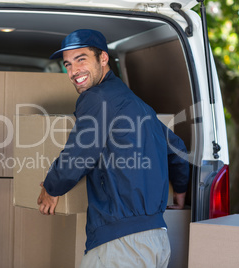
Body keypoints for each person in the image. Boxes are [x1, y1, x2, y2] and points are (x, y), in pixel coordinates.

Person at [37, 29, 189, 268]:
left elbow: (79, 154)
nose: (73, 71)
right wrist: (180, 190)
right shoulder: (139, 107)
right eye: (67, 65)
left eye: (81, 59)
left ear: (103, 59)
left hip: (122, 246)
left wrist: (51, 186)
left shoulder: (97, 98)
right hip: (157, 242)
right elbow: (178, 148)